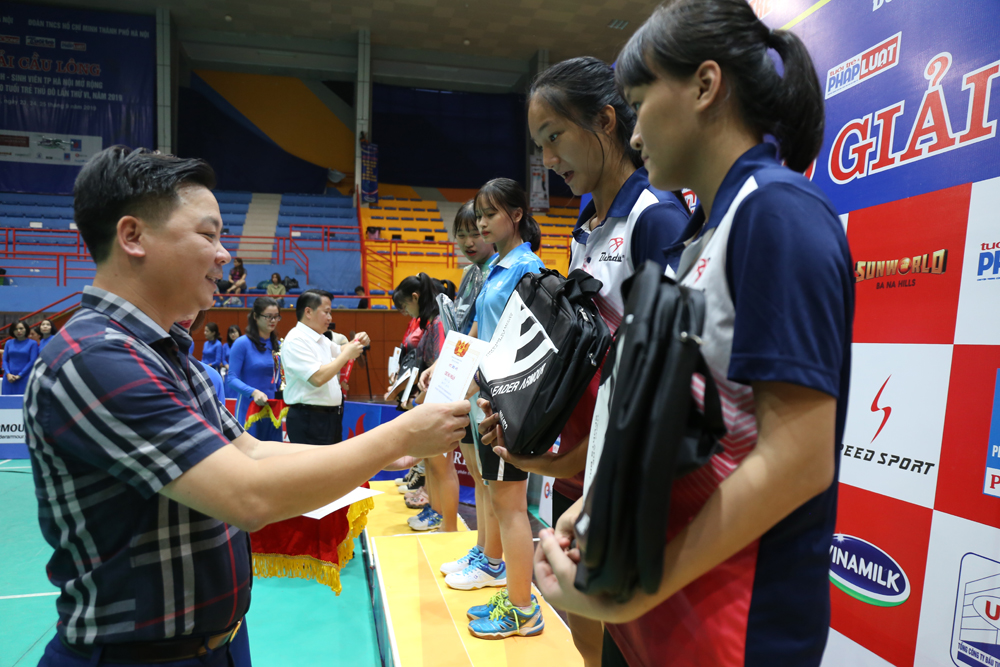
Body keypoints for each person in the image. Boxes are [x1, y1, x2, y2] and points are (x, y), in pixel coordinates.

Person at [23, 146, 469, 667]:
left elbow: (252, 453)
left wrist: (380, 454)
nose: (224, 255)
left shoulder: (170, 355)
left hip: (217, 644)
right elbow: (247, 495)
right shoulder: (94, 359)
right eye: (207, 234)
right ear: (133, 236)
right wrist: (396, 437)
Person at [531, 4, 853, 667]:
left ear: (705, 87)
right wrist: (598, 504)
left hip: (728, 631)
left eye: (641, 101)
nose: (634, 127)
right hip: (652, 621)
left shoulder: (780, 215)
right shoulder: (694, 236)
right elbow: (669, 417)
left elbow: (797, 458)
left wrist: (636, 588)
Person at [481, 54, 692, 666]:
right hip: (578, 466)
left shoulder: (658, 220)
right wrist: (523, 418)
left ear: (605, 121)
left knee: (631, 638)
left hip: (622, 476)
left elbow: (660, 393)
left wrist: (557, 460)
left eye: (554, 138)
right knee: (581, 624)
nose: (547, 161)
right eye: (539, 145)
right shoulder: (585, 225)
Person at [427, 178, 547, 639]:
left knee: (511, 506)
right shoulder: (498, 266)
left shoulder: (527, 268)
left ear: (515, 215)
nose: (480, 222)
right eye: (479, 214)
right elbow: (477, 332)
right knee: (496, 495)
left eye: (489, 213)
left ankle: (523, 608)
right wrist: (450, 372)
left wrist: (481, 380)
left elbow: (518, 341)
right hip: (486, 395)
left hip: (510, 399)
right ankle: (504, 583)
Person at [392, 274, 452, 532]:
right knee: (431, 464)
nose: (406, 312)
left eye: (405, 306)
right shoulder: (429, 323)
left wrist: (418, 399)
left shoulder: (438, 323)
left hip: (438, 404)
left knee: (442, 468)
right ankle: (435, 512)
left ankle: (446, 522)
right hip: (428, 403)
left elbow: (442, 367)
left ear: (415, 298)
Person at [281, 290, 368, 446]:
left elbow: (342, 350)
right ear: (308, 312)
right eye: (326, 312)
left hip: (329, 417)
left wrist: (358, 341)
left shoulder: (319, 338)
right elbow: (317, 378)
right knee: (313, 469)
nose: (330, 318)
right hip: (310, 419)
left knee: (332, 468)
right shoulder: (296, 340)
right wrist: (346, 354)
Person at [228, 297, 282, 425]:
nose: (273, 320)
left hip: (273, 410)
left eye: (276, 316)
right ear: (255, 316)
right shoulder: (242, 343)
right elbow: (231, 379)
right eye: (268, 316)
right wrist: (253, 392)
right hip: (249, 409)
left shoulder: (278, 346)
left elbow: (279, 379)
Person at [2, 321, 38, 395]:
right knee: (7, 404)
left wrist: (20, 375)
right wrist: (8, 374)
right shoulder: (8, 342)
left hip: (24, 377)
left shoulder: (33, 343)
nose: (18, 331)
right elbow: (5, 360)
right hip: (9, 378)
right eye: (16, 329)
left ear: (26, 329)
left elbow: (32, 361)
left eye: (21, 328)